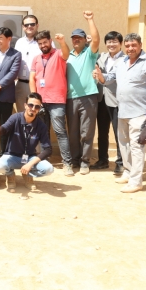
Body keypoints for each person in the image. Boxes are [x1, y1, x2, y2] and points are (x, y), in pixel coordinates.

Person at [95, 33, 146, 193]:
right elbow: (111, 78)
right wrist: (101, 76)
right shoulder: (123, 62)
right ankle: (127, 172)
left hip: (140, 112)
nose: (130, 48)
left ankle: (136, 181)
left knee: (136, 147)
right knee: (124, 144)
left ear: (140, 45)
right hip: (123, 111)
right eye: (127, 46)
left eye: (133, 45)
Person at [0, 93, 54, 193]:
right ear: (25, 105)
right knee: (0, 166)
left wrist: (30, 164)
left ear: (39, 108)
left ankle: (28, 175)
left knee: (49, 169)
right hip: (12, 156)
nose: (33, 108)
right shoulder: (15, 118)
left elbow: (48, 149)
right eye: (30, 105)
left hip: (30, 158)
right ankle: (10, 175)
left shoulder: (41, 125)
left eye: (37, 106)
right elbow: (5, 128)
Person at [29, 30, 72, 176]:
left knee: (60, 132)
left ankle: (67, 164)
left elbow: (66, 54)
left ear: (50, 42)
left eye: (45, 42)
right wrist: (34, 99)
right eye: (40, 43)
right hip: (40, 102)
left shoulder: (59, 54)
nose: (43, 45)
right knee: (43, 132)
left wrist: (62, 42)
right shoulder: (36, 58)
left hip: (57, 100)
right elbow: (32, 78)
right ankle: (44, 160)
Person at [65, 11, 100, 175]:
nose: (76, 40)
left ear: (84, 39)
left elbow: (96, 39)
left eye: (79, 37)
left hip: (88, 97)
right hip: (71, 98)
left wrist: (90, 20)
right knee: (72, 132)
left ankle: (85, 162)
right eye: (74, 38)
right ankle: (74, 159)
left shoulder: (90, 53)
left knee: (86, 131)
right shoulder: (68, 56)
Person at [92, 31, 125, 174]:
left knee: (119, 133)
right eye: (109, 42)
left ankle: (121, 162)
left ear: (120, 43)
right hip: (101, 99)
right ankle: (103, 160)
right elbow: (92, 54)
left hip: (117, 100)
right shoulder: (102, 56)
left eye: (115, 42)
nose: (111, 44)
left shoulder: (125, 59)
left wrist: (100, 75)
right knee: (102, 132)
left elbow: (113, 76)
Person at [14, 15, 53, 113]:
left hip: (39, 85)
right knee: (22, 114)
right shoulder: (19, 42)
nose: (29, 26)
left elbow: (52, 62)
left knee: (39, 115)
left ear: (37, 25)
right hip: (21, 85)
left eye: (32, 24)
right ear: (23, 27)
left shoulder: (44, 42)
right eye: (26, 25)